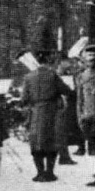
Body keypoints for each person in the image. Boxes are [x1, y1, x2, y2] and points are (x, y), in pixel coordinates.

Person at [20, 51, 72, 182]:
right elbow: (66, 91)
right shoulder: (52, 75)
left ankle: (39, 172)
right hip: (51, 111)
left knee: (36, 142)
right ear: (48, 61)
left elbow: (24, 99)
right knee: (51, 141)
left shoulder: (28, 77)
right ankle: (49, 172)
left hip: (35, 112)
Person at [76, 44, 95, 187]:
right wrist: (80, 116)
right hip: (87, 115)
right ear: (84, 57)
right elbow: (80, 98)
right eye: (89, 55)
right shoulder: (82, 75)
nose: (92, 58)